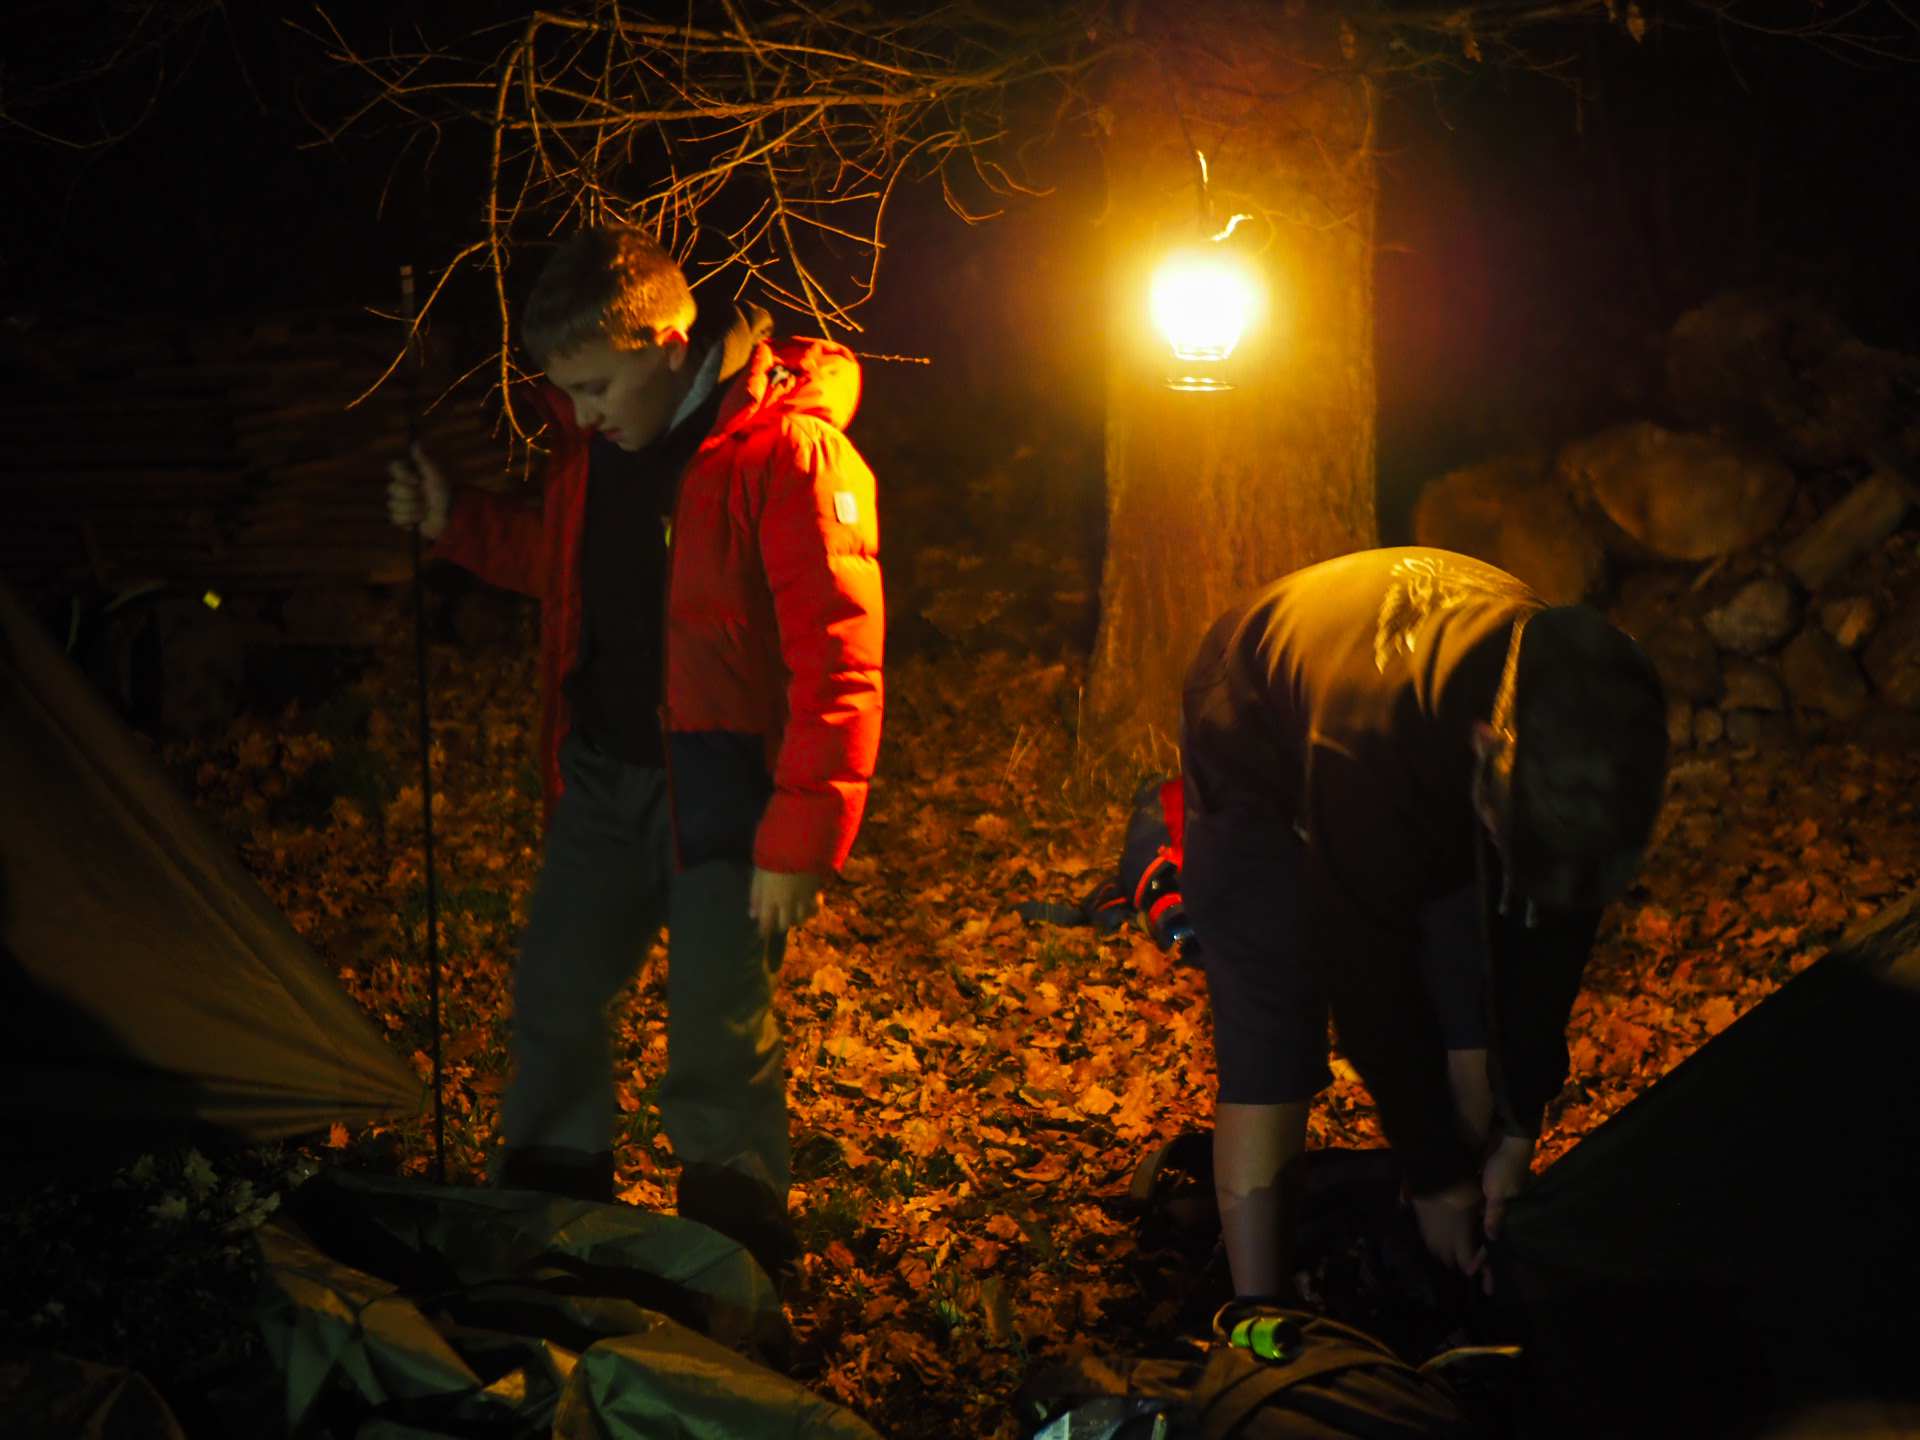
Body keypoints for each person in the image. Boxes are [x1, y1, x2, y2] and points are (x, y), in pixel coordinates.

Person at [386, 225, 883, 1278]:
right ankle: (553, 1211)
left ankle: (736, 1241)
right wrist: (455, 521)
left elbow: (839, 655)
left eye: (596, 387)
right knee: (556, 994)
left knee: (714, 1027)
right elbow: (564, 567)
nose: (582, 412)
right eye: (567, 392)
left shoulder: (787, 455)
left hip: (728, 795)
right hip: (601, 779)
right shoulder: (596, 455)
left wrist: (802, 835)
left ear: (667, 344)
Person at [1178, 547, 1668, 1299]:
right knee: (1272, 1019)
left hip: (1440, 715)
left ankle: (1435, 1257)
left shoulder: (1594, 718)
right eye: (1506, 833)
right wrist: (1439, 1175)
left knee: (1472, 1001)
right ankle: (1259, 1314)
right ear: (1484, 750)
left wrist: (1518, 1131)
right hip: (1252, 726)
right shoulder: (1369, 744)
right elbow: (1367, 978)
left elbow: (1552, 934)